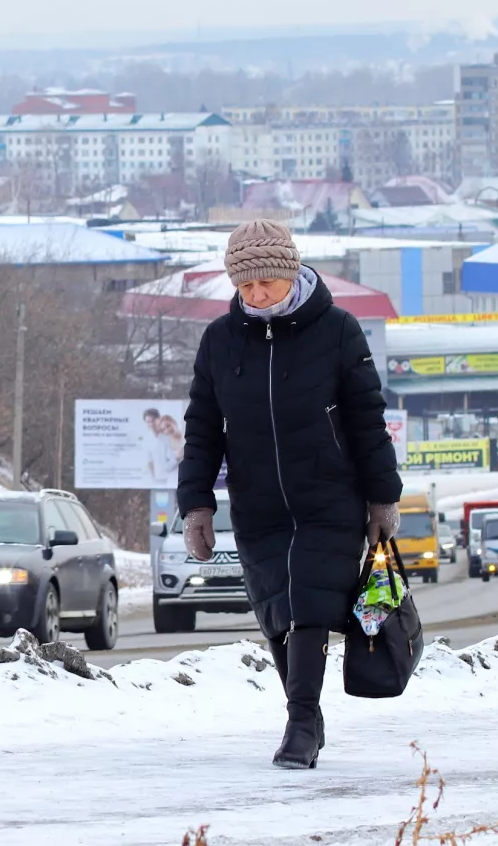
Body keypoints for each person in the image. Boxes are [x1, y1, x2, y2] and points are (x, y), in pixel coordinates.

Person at [175, 219, 401, 770]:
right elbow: (202, 427)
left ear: (289, 273)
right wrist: (197, 504)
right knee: (278, 612)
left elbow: (368, 420)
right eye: (245, 286)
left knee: (308, 607)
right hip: (258, 503)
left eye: (265, 284)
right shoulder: (221, 341)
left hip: (328, 497)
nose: (256, 295)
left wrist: (382, 497)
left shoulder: (338, 331)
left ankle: (300, 723)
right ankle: (307, 715)